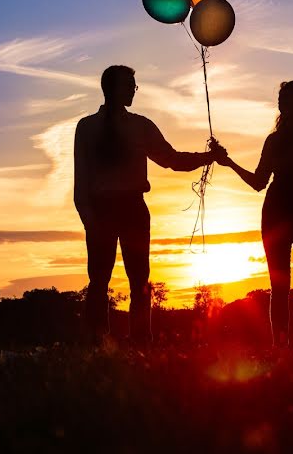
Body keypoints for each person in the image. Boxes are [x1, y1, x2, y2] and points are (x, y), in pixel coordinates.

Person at [73, 65, 226, 345]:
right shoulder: (88, 127)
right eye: (129, 84)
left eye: (134, 85)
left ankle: (140, 340)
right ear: (112, 88)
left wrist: (207, 157)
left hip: (132, 208)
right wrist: (89, 218)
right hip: (102, 209)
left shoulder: (140, 126)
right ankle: (97, 341)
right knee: (99, 280)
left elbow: (171, 159)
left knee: (138, 280)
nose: (134, 90)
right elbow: (81, 180)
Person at [223, 80, 293, 348]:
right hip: (275, 215)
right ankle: (280, 346)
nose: (281, 106)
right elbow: (258, 182)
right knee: (279, 286)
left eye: (286, 100)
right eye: (280, 101)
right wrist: (228, 162)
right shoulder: (275, 141)